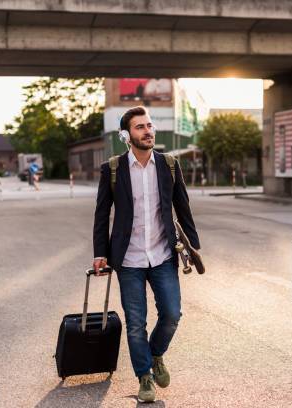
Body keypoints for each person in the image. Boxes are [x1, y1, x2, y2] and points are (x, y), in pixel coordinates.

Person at [92, 106, 200, 402]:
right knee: (136, 322)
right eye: (140, 127)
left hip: (163, 254)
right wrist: (99, 252)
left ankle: (155, 355)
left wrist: (194, 243)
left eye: (149, 125)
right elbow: (102, 214)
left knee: (171, 315)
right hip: (128, 259)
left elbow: (183, 206)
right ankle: (144, 377)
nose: (148, 131)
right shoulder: (113, 169)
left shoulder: (169, 165)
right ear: (127, 135)